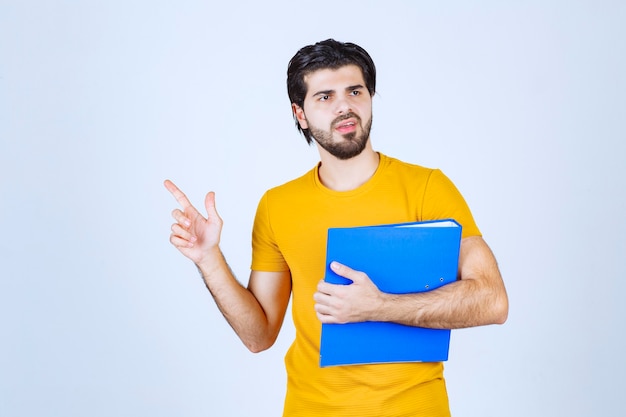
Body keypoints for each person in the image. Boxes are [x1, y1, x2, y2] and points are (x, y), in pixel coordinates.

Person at [165, 39, 508, 417]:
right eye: (324, 97)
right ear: (301, 114)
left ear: (370, 98)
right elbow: (258, 335)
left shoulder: (429, 188)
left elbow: (492, 301)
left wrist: (380, 307)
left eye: (354, 91)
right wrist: (208, 259)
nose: (344, 105)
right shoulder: (278, 205)